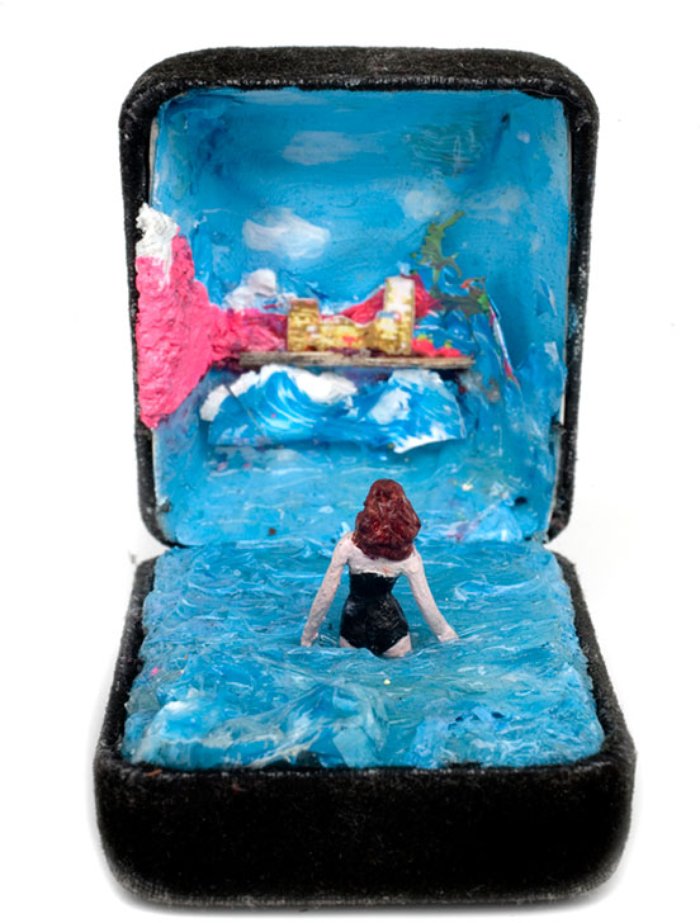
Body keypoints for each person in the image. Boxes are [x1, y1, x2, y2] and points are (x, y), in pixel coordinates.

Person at [300, 479, 458, 657]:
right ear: (404, 510)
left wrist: (307, 636)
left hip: (352, 627)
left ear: (368, 507)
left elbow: (326, 593)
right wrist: (446, 635)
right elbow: (425, 602)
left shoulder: (347, 545)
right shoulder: (409, 556)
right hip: (392, 631)